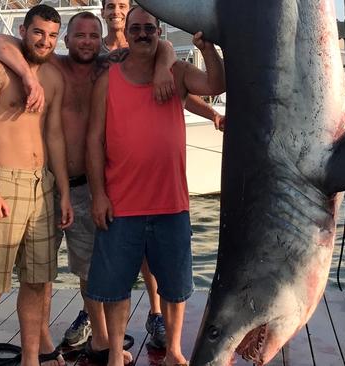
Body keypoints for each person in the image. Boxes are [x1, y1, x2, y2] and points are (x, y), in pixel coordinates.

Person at [85, 6, 225, 366]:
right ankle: (116, 352)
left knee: (175, 288)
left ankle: (174, 349)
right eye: (136, 28)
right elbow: (93, 141)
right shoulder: (108, 79)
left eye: (149, 28)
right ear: (126, 33)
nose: (142, 34)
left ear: (159, 31)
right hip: (121, 204)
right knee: (115, 288)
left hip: (171, 204)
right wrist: (98, 194)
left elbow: (215, 85)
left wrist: (207, 47)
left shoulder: (176, 73)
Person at [0, 5, 73, 366]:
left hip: (42, 187)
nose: (45, 40)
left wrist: (63, 192)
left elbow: (55, 136)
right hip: (3, 184)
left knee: (37, 283)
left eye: (52, 35)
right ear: (23, 31)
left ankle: (31, 359)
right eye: (38, 32)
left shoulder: (54, 78)